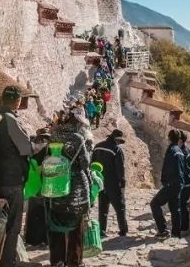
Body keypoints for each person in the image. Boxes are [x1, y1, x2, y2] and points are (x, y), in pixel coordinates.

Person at [0, 86, 33, 267]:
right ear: (17, 101)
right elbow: (25, 148)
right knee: (12, 226)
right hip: (12, 179)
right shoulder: (9, 119)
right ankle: (7, 263)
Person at [46, 109, 92, 267]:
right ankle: (74, 262)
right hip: (75, 191)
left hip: (55, 187)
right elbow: (85, 164)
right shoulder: (78, 138)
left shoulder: (53, 135)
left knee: (57, 227)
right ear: (77, 123)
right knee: (75, 230)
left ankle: (57, 261)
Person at [150, 129, 186, 238]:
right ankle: (176, 232)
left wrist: (165, 181)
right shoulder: (179, 151)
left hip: (172, 184)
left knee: (155, 203)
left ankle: (163, 230)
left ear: (169, 138)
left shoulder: (171, 149)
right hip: (179, 183)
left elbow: (168, 167)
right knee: (175, 208)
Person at [92, 129, 128, 237]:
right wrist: (122, 182)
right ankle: (123, 230)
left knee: (103, 208)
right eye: (119, 141)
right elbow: (120, 169)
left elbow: (92, 163)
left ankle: (101, 231)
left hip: (100, 181)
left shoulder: (97, 146)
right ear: (116, 139)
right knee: (120, 207)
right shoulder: (116, 150)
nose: (119, 143)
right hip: (113, 183)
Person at [178, 131, 190, 235]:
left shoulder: (182, 152)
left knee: (183, 205)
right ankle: (183, 227)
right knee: (183, 205)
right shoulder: (187, 150)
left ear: (180, 140)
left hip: (184, 182)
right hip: (186, 181)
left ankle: (184, 228)